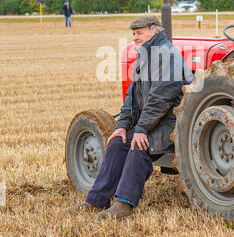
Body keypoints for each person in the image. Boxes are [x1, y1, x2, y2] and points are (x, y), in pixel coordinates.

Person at [73, 14, 193, 219]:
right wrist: (122, 126)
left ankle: (124, 204)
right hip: (154, 120)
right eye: (133, 34)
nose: (135, 37)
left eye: (139, 33)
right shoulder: (145, 56)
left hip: (172, 120)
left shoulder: (167, 55)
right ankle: (96, 200)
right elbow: (132, 96)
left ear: (155, 31)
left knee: (139, 145)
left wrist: (141, 130)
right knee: (118, 142)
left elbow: (160, 100)